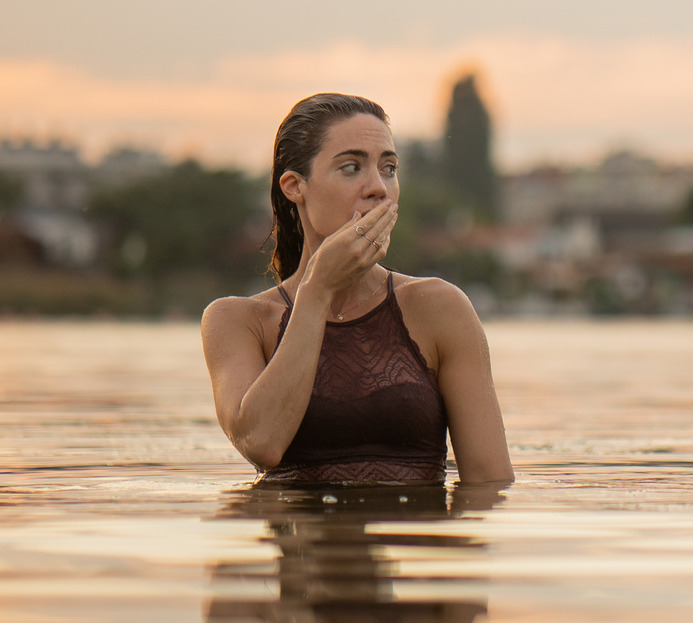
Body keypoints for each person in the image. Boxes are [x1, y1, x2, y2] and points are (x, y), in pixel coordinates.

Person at [201, 93, 512, 485]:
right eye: (351, 168)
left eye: (389, 168)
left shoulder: (440, 307)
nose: (378, 188)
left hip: (416, 544)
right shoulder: (237, 321)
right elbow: (260, 442)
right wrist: (318, 290)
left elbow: (490, 483)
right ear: (295, 186)